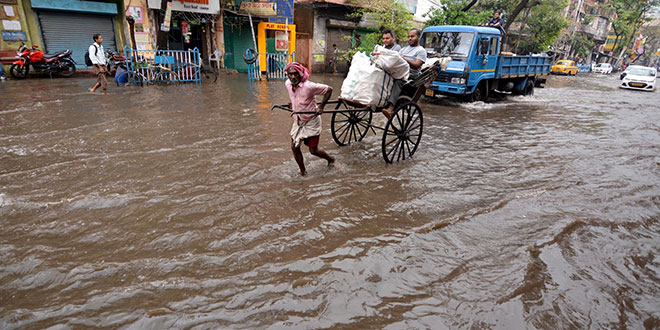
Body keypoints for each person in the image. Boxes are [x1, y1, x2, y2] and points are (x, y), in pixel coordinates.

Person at [285, 62, 335, 176]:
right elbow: (296, 97)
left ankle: (331, 159)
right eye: (290, 74)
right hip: (298, 119)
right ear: (287, 75)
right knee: (294, 147)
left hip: (311, 120)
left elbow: (329, 90)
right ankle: (303, 172)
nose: (293, 77)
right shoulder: (287, 84)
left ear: (300, 74)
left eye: (295, 74)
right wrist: (293, 104)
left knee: (313, 151)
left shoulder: (309, 86)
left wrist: (321, 106)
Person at [383, 28, 427, 118]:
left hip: (410, 75)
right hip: (399, 71)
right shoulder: (403, 49)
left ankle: (391, 107)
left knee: (399, 81)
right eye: (409, 36)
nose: (410, 38)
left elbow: (417, 65)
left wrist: (404, 59)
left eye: (412, 36)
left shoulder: (421, 51)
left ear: (418, 37)